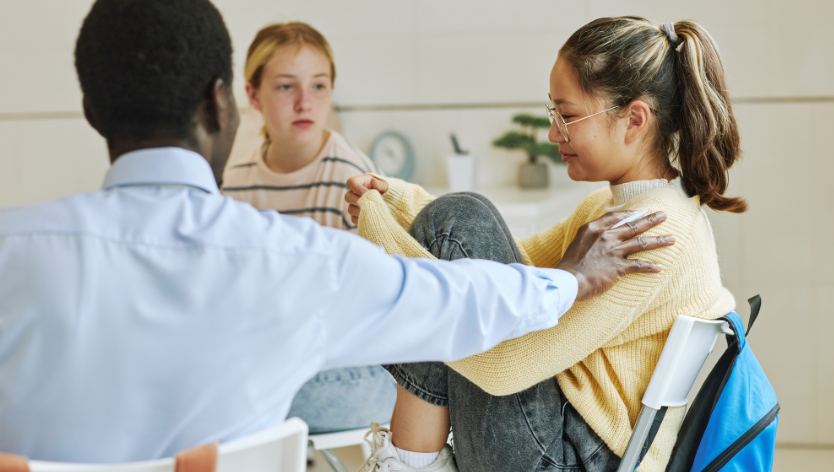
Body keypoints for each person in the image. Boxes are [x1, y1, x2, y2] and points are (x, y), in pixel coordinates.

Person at [0, 1, 673, 464]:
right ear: (223, 102)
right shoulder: (293, 261)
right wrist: (569, 281)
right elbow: (452, 298)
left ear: (90, 109)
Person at [346, 16, 742, 472]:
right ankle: (410, 464)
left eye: (568, 116)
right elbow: (510, 257)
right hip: (561, 437)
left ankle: (406, 463)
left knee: (462, 225)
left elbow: (503, 369)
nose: (554, 133)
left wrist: (380, 231)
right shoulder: (615, 210)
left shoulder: (651, 235)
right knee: (461, 223)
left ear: (634, 120)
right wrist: (394, 199)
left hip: (572, 460)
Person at [220, 22, 395, 436]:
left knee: (220, 396)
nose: (305, 103)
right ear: (252, 95)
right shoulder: (235, 181)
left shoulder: (352, 177)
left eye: (318, 86)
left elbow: (368, 304)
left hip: (352, 366)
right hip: (271, 357)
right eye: (285, 87)